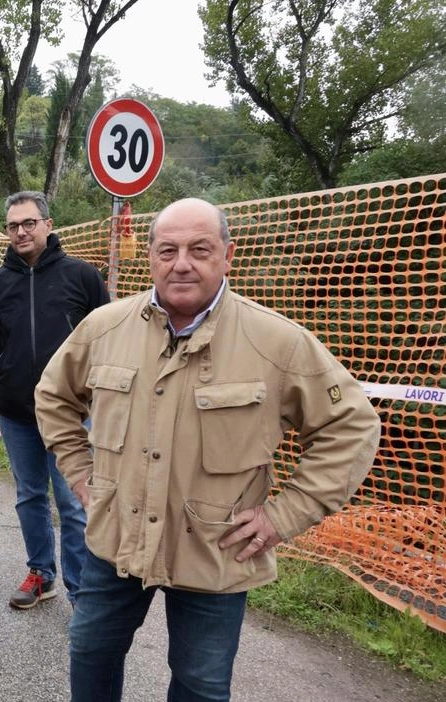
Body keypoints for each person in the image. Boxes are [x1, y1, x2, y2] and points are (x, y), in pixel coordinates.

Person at [35, 197, 382, 701]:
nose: (182, 263)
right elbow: (53, 396)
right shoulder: (104, 327)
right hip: (118, 538)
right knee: (90, 653)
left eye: (200, 249)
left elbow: (350, 426)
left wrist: (282, 516)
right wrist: (81, 475)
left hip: (217, 550)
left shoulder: (276, 342)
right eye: (168, 249)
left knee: (201, 684)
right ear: (150, 255)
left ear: (227, 255)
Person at [0, 191, 108, 609]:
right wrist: (7, 366)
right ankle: (40, 574)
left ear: (49, 225)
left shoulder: (83, 277)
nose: (20, 232)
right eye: (13, 225)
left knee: (72, 500)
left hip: (71, 413)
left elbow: (105, 338)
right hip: (15, 413)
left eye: (29, 223)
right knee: (29, 495)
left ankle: (80, 590)